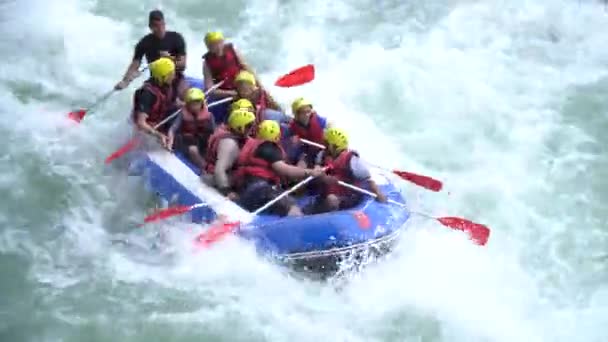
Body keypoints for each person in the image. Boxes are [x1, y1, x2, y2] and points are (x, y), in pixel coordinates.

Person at [234, 120, 325, 216]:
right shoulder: (269, 148)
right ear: (277, 135)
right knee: (293, 209)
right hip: (261, 189)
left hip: (245, 188)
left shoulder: (252, 144)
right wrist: (310, 172)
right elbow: (284, 170)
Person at [306, 127, 387, 214]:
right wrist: (317, 169)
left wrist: (378, 193)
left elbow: (368, 179)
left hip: (348, 196)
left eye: (327, 143)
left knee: (331, 199)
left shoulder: (352, 161)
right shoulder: (322, 155)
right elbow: (317, 166)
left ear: (334, 146)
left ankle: (334, 219)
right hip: (326, 194)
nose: (324, 145)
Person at [115, 10, 188, 100]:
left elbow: (183, 65)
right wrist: (125, 81)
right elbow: (135, 64)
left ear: (164, 23)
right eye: (156, 26)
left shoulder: (176, 38)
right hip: (156, 79)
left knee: (185, 96)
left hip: (175, 76)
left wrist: (169, 58)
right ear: (150, 27)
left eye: (162, 25)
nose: (160, 29)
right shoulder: (144, 43)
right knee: (144, 97)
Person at [203, 109, 255, 196]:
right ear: (239, 127)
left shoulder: (233, 136)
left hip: (216, 179)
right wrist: (227, 192)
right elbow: (219, 171)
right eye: (249, 126)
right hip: (214, 182)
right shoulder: (229, 144)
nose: (252, 129)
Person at [132, 57, 178, 148]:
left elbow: (173, 102)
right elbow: (141, 123)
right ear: (162, 76)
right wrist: (158, 135)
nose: (173, 76)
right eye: (171, 74)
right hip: (145, 130)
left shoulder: (166, 86)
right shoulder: (146, 94)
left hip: (158, 123)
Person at [167, 88, 216, 170]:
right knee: (193, 150)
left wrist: (213, 143)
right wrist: (170, 141)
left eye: (197, 103)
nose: (195, 106)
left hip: (201, 138)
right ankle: (206, 168)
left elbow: (214, 132)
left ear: (202, 103)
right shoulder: (182, 114)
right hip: (186, 140)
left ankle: (212, 162)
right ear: (188, 104)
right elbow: (172, 130)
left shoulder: (209, 115)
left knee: (211, 144)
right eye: (192, 103)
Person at [202, 31, 255, 99]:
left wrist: (255, 84)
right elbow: (210, 89)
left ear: (223, 42)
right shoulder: (206, 63)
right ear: (208, 47)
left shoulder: (233, 50)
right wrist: (230, 93)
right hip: (227, 91)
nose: (218, 47)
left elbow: (246, 67)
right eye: (213, 45)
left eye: (219, 42)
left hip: (242, 84)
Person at [283, 97, 331, 167]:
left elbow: (330, 125)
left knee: (323, 160)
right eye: (303, 112)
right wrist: (292, 142)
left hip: (323, 150)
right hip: (307, 152)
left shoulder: (319, 120)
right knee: (301, 164)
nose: (306, 115)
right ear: (297, 115)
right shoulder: (292, 127)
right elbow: (285, 140)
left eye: (308, 111)